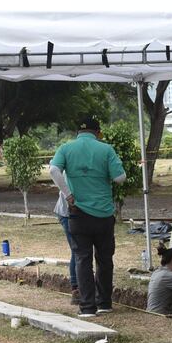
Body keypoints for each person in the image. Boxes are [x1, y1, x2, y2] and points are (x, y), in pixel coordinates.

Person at [48, 116, 126, 318]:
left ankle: (87, 307)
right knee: (105, 259)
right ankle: (105, 303)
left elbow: (54, 170)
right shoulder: (106, 149)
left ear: (78, 132)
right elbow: (120, 178)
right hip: (103, 214)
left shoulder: (66, 149)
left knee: (83, 259)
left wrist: (68, 194)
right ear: (97, 132)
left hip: (78, 213)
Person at [53, 182, 79, 299]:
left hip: (73, 214)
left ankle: (79, 285)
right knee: (77, 249)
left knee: (79, 249)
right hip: (67, 215)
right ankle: (76, 288)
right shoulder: (68, 170)